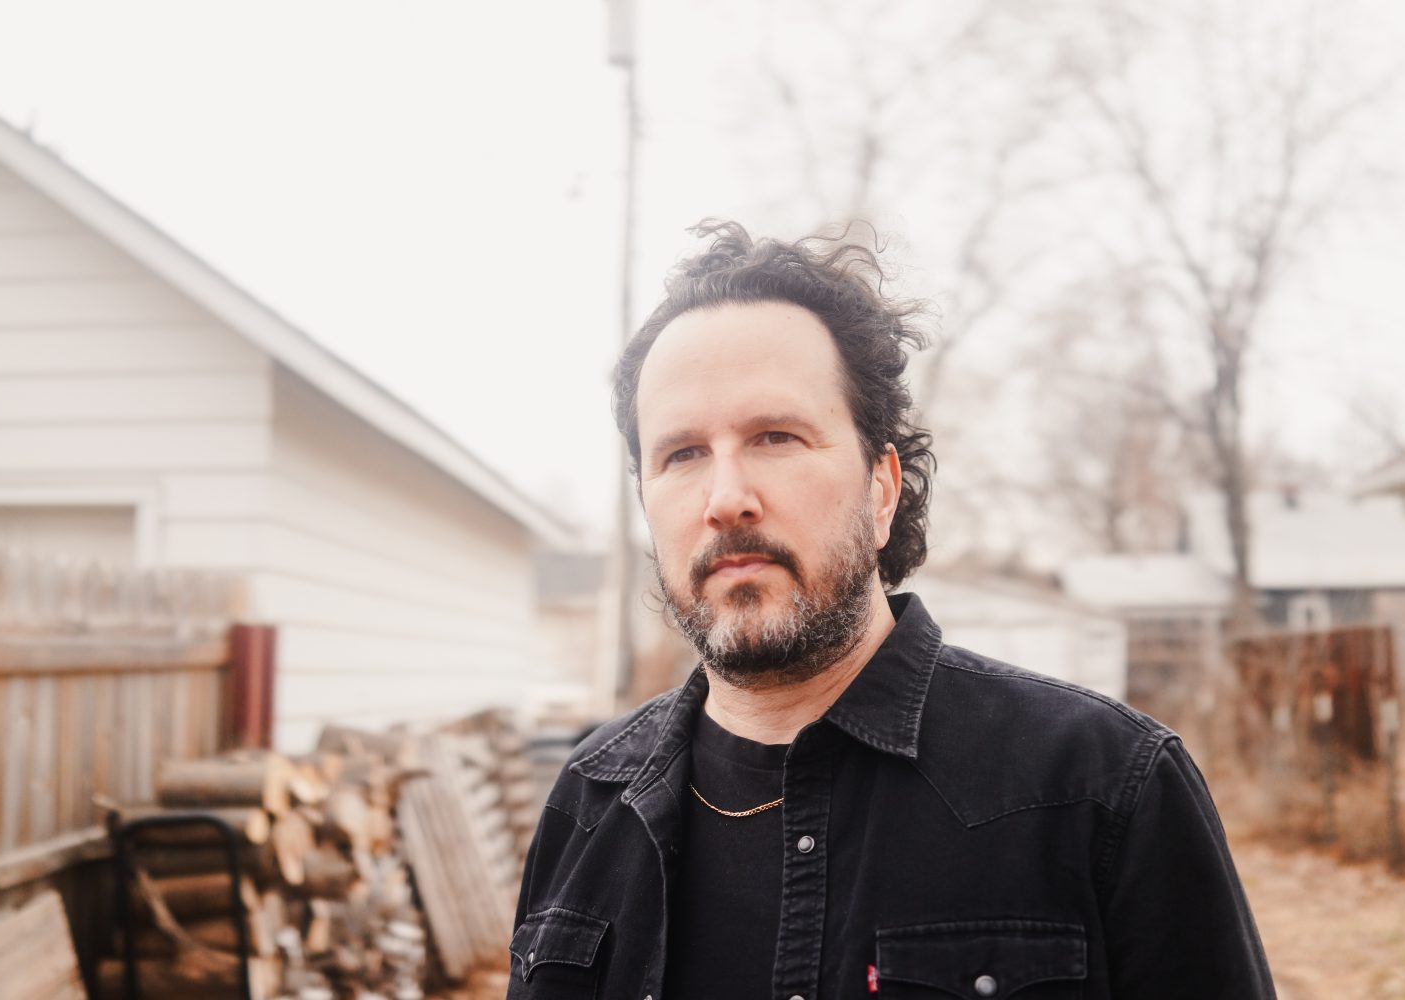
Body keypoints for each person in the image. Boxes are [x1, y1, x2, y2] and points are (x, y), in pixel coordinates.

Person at [508, 221, 1275, 1000]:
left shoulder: (1102, 787)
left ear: (881, 490)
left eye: (775, 436)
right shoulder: (588, 802)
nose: (726, 498)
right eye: (682, 454)